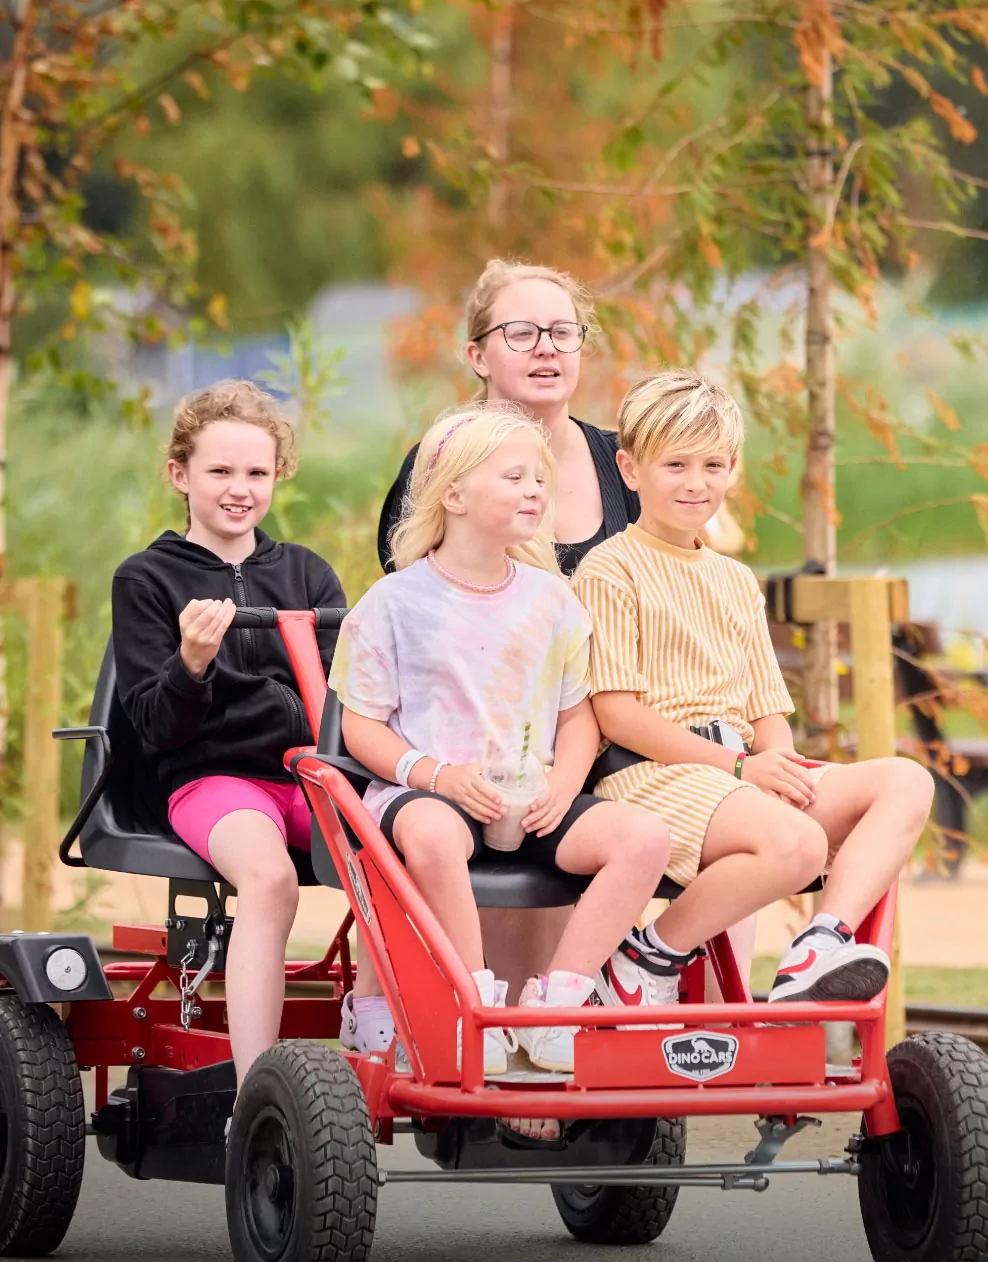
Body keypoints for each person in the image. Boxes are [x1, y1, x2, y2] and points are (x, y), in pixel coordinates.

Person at [330, 402, 676, 1074]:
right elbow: (359, 726)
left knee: (644, 839)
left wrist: (563, 786)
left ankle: (560, 1003)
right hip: (429, 792)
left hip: (531, 793)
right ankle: (470, 1004)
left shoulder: (553, 602)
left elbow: (579, 716)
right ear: (452, 494)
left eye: (540, 481)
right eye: (514, 478)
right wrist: (433, 774)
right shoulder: (394, 604)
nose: (535, 492)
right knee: (431, 836)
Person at [573, 369, 935, 1003]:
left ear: (733, 469)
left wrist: (781, 770)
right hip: (654, 776)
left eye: (712, 465)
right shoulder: (610, 568)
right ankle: (646, 954)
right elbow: (617, 716)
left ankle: (819, 944)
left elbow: (767, 711)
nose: (695, 483)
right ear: (630, 469)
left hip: (739, 773)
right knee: (798, 844)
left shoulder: (735, 580)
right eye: (675, 464)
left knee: (906, 781)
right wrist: (742, 769)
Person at [377, 259, 651, 1008]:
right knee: (509, 787)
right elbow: (432, 632)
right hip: (491, 733)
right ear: (478, 355)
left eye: (563, 332)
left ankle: (668, 1005)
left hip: (608, 714)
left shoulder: (624, 463)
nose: (546, 348)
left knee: (695, 788)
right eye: (522, 332)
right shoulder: (441, 467)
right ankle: (502, 1029)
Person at [112, 380, 346, 1088]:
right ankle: (259, 1090)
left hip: (308, 773)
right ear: (180, 475)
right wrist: (192, 664)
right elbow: (155, 724)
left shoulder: (306, 572)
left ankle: (384, 1028)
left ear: (279, 475)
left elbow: (347, 701)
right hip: (211, 778)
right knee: (271, 877)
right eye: (220, 471)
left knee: (396, 857)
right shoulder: (148, 578)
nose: (239, 488)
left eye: (256, 472)